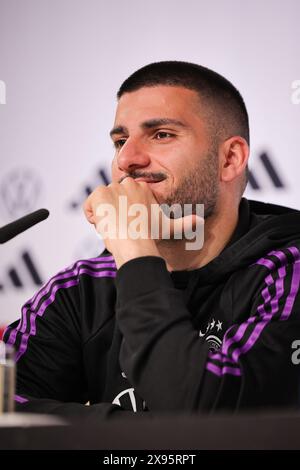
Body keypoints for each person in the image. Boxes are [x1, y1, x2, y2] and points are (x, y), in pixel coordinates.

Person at [3, 61, 300, 418]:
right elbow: (6, 403)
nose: (126, 159)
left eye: (161, 134)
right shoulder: (83, 286)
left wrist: (133, 248)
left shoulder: (288, 272)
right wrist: (131, 432)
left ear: (230, 159)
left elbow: (210, 418)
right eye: (119, 140)